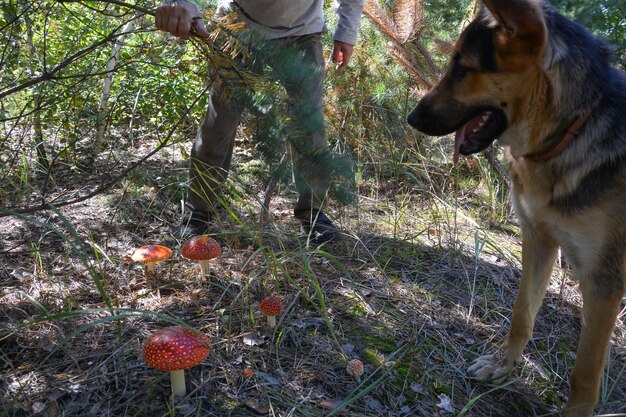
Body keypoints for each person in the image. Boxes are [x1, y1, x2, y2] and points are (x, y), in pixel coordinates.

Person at [155, 0, 365, 243]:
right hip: (239, 27)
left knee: (310, 128)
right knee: (219, 125)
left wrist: (347, 32)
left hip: (303, 33)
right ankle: (197, 214)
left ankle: (313, 214)